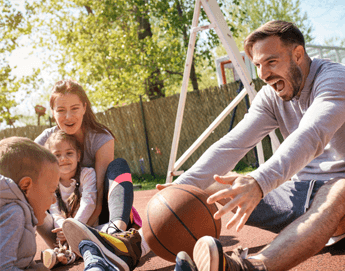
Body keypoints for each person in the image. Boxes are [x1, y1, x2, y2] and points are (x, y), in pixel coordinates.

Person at [168, 20, 345, 271]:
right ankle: (134, 246)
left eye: (271, 62)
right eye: (258, 66)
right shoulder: (272, 96)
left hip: (340, 194)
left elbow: (311, 134)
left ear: (298, 55)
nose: (263, 74)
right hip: (304, 197)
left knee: (340, 190)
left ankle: (249, 267)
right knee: (207, 185)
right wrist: (179, 188)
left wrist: (260, 181)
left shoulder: (335, 79)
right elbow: (233, 144)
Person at [34, 79, 147, 271]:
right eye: (60, 110)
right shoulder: (46, 140)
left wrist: (77, 229)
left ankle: (116, 233)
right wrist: (64, 231)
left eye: (75, 108)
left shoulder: (100, 137)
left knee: (119, 165)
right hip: (59, 223)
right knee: (25, 187)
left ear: (85, 108)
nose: (68, 116)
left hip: (96, 214)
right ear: (52, 111)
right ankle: (58, 249)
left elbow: (99, 195)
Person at [39, 130, 97, 268]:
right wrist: (63, 230)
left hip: (84, 228)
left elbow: (88, 203)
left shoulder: (87, 174)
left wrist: (70, 230)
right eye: (57, 155)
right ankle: (60, 252)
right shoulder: (50, 181)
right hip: (59, 232)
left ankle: (63, 255)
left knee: (101, 233)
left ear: (78, 155)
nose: (63, 158)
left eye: (69, 153)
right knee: (36, 212)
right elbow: (54, 212)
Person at [0, 137, 60, 271]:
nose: (54, 200)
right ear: (26, 186)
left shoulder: (18, 211)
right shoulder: (14, 213)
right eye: (52, 191)